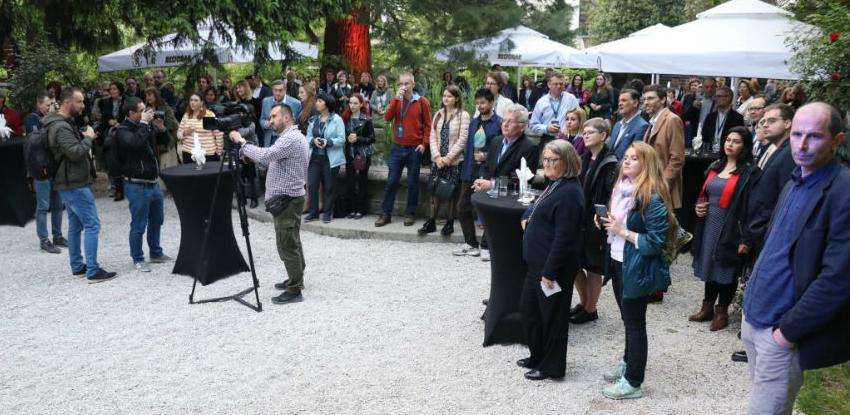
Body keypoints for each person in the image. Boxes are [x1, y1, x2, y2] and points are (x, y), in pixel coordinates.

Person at [742, 103, 850, 414]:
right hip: (754, 318)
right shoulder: (794, 181)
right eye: (797, 134)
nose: (801, 145)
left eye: (814, 136)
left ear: (837, 140)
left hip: (780, 330)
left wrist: (786, 333)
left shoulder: (843, 191)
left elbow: (839, 278)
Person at [600, 142, 673, 399]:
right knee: (627, 319)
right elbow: (620, 225)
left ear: (647, 164)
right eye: (626, 157)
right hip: (618, 260)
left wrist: (622, 231)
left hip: (636, 266)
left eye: (634, 158)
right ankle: (628, 361)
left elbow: (655, 242)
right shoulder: (621, 190)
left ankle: (633, 381)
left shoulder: (652, 198)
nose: (627, 161)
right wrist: (607, 223)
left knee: (634, 324)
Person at [516, 139, 584, 381]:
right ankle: (537, 355)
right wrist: (527, 215)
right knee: (530, 312)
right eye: (544, 159)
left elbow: (565, 238)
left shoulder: (570, 192)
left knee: (553, 318)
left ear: (567, 162)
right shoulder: (555, 184)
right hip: (537, 264)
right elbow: (537, 205)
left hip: (552, 267)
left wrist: (550, 271)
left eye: (552, 160)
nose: (546, 164)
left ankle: (551, 366)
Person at [230, 103, 310, 305]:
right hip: (289, 199)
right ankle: (296, 276)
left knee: (286, 244)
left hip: (286, 200)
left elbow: (266, 155)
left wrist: (241, 141)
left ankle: (295, 289)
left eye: (274, 116)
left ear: (286, 117)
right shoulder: (290, 137)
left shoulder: (290, 138)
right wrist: (251, 157)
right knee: (292, 240)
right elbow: (270, 161)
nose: (270, 120)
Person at [45, 87, 117, 283]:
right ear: (67, 102)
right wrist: (88, 139)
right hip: (73, 183)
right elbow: (75, 153)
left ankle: (77, 266)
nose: (83, 105)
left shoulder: (62, 123)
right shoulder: (60, 126)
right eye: (79, 101)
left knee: (76, 225)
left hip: (70, 182)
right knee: (92, 225)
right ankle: (93, 271)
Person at [690, 126, 755, 331]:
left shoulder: (749, 172)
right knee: (710, 264)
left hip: (731, 226)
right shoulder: (715, 166)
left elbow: (751, 205)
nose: (730, 144)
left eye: (736, 141)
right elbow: (703, 195)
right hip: (709, 223)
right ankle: (707, 307)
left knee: (726, 267)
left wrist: (746, 237)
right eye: (728, 140)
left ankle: (722, 311)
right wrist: (698, 207)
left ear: (745, 146)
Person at [114, 97, 173, 272]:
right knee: (139, 224)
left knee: (157, 219)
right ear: (131, 113)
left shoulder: (145, 126)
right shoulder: (122, 131)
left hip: (153, 182)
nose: (146, 113)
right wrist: (145, 124)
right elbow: (136, 144)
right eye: (141, 110)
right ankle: (138, 258)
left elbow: (166, 141)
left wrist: (161, 128)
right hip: (136, 185)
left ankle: (156, 253)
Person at [571, 118, 618, 325]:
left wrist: (602, 215)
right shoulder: (584, 158)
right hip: (580, 220)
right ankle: (584, 303)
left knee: (592, 268)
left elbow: (611, 195)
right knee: (574, 264)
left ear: (603, 135)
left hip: (596, 222)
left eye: (590, 132)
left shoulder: (611, 163)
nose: (585, 135)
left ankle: (591, 309)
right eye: (584, 132)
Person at [375, 72, 432, 227]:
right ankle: (385, 213)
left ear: (413, 84)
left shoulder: (422, 102)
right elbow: (387, 118)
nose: (404, 87)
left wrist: (424, 144)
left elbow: (428, 125)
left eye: (407, 83)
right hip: (397, 147)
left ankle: (410, 213)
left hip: (414, 148)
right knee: (391, 181)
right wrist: (395, 99)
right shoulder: (397, 100)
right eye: (401, 84)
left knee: (413, 182)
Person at [454, 88, 502, 257]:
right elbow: (468, 148)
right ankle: (470, 243)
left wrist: (486, 156)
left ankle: (487, 246)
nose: (480, 106)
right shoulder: (474, 123)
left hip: (488, 172)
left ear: (491, 103)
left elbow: (502, 148)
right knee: (462, 207)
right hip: (470, 170)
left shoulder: (499, 123)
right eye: (477, 103)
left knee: (487, 209)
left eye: (483, 102)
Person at [419, 85, 470, 236]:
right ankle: (431, 221)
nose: (446, 98)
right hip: (438, 160)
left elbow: (462, 140)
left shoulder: (463, 115)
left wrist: (447, 159)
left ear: (456, 98)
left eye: (449, 96)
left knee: (451, 192)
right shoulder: (438, 114)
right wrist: (436, 157)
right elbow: (432, 137)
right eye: (444, 96)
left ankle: (449, 223)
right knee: (434, 190)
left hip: (453, 161)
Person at [26, 92, 67, 254]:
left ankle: (58, 236)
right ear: (39, 104)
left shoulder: (54, 118)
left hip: (54, 167)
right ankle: (44, 240)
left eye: (52, 104)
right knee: (43, 205)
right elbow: (39, 139)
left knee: (58, 204)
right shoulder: (32, 118)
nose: (50, 107)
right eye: (48, 104)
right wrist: (52, 119)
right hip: (40, 168)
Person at [642, 85, 685, 210]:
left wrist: (662, 185)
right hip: (649, 185)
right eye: (644, 99)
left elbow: (677, 158)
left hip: (662, 191)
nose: (646, 102)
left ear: (662, 100)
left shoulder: (672, 120)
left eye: (650, 98)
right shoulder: (652, 121)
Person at [305, 94, 345, 223]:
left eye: (320, 101)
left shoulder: (337, 120)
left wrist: (328, 142)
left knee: (329, 186)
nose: (316, 103)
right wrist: (313, 140)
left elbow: (342, 139)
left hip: (330, 159)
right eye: (317, 101)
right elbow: (307, 137)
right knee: (312, 185)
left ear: (327, 104)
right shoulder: (314, 120)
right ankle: (313, 213)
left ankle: (328, 213)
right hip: (315, 157)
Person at [340, 93, 375, 219]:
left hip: (362, 155)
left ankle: (361, 209)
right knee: (350, 182)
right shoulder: (345, 118)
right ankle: (351, 209)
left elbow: (372, 139)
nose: (352, 106)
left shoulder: (366, 120)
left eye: (355, 103)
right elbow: (341, 136)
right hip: (350, 154)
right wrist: (347, 138)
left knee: (361, 182)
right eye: (350, 103)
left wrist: (358, 138)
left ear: (361, 104)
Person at [529, 72, 579, 148]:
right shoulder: (541, 102)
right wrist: (546, 128)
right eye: (556, 84)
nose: (559, 86)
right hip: (548, 140)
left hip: (567, 139)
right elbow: (532, 125)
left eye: (561, 84)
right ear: (549, 84)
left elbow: (579, 117)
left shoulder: (571, 98)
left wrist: (570, 127)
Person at [143, 87, 180, 185]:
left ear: (156, 95)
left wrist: (159, 125)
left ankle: (171, 187)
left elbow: (171, 125)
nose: (147, 97)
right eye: (146, 95)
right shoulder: (145, 109)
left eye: (150, 95)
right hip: (152, 142)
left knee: (167, 166)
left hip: (166, 141)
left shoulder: (166, 108)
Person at [177, 93, 223, 163]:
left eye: (196, 100)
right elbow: (178, 134)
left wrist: (219, 152)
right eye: (191, 100)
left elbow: (218, 134)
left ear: (201, 102)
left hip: (207, 154)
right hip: (188, 153)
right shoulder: (186, 115)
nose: (192, 102)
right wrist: (185, 132)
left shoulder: (209, 115)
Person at [700, 86, 745, 153]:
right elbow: (704, 136)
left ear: (728, 98)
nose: (715, 99)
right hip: (710, 153)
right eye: (715, 96)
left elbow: (739, 138)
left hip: (728, 153)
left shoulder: (737, 118)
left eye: (718, 96)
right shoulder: (710, 117)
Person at [609, 89, 650, 160]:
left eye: (624, 100)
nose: (620, 103)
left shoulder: (642, 126)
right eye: (619, 101)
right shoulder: (617, 125)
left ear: (635, 103)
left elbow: (635, 155)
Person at [261, 80, 303, 147]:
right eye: (275, 90)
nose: (278, 93)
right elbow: (262, 119)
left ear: (285, 90)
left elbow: (298, 124)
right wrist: (266, 124)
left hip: (288, 140)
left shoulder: (296, 103)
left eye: (280, 90)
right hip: (270, 139)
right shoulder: (265, 101)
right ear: (272, 90)